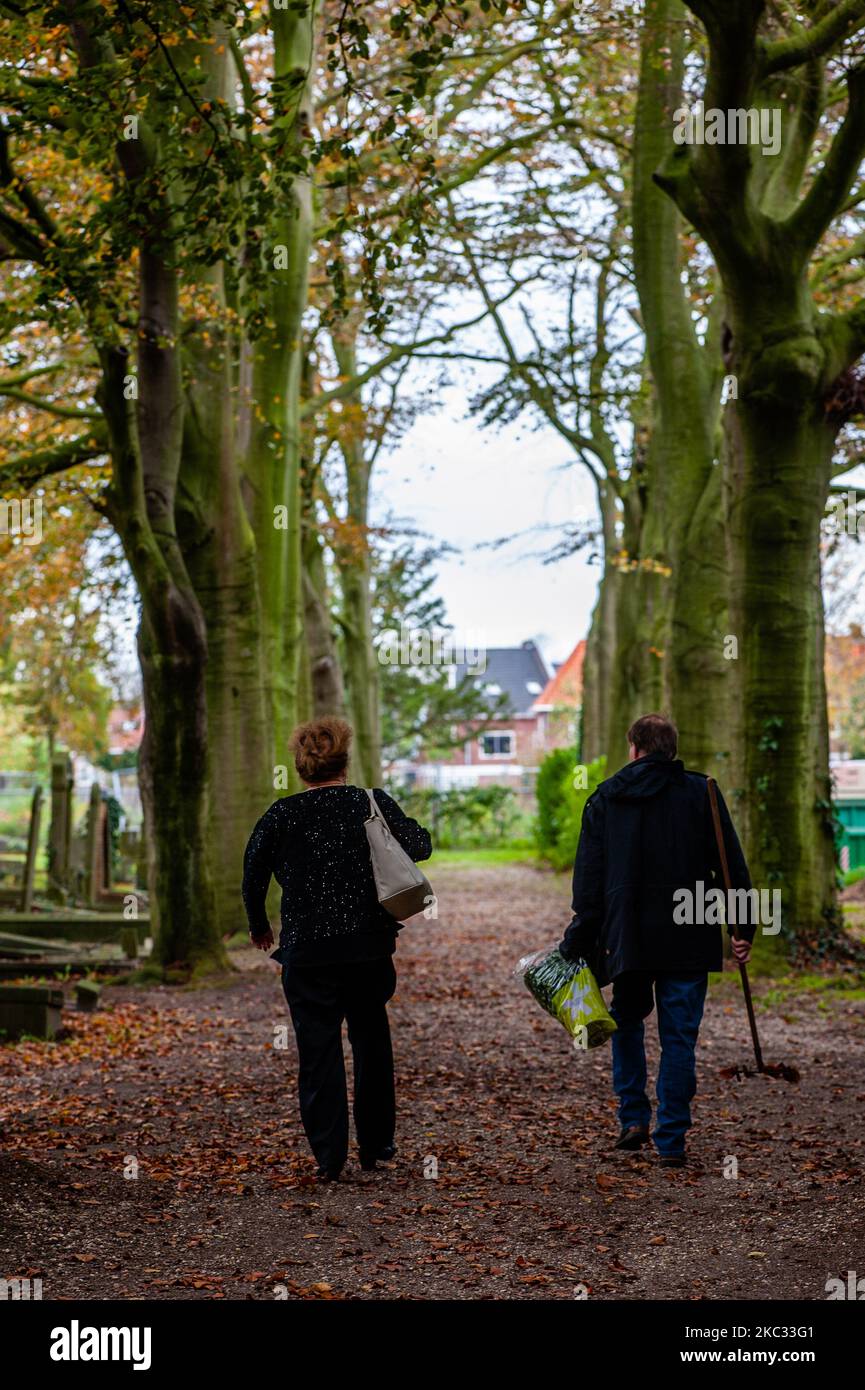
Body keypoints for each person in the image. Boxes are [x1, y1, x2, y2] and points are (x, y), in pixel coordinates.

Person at [241, 717, 432, 1182]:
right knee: (371, 1040)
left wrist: (259, 926)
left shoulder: (280, 814)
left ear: (301, 768)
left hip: (307, 952)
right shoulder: (369, 802)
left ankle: (329, 1156)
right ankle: (376, 1145)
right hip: (368, 948)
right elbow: (420, 847)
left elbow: (252, 875)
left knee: (318, 1049)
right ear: (345, 761)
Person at [558, 713, 753, 1167]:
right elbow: (730, 867)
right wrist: (741, 930)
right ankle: (672, 1139)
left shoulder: (606, 797)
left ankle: (632, 1117)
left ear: (634, 749)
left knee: (627, 1021)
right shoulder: (701, 791)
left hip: (628, 936)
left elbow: (589, 881)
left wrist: (579, 938)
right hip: (689, 933)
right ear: (671, 748)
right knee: (679, 1037)